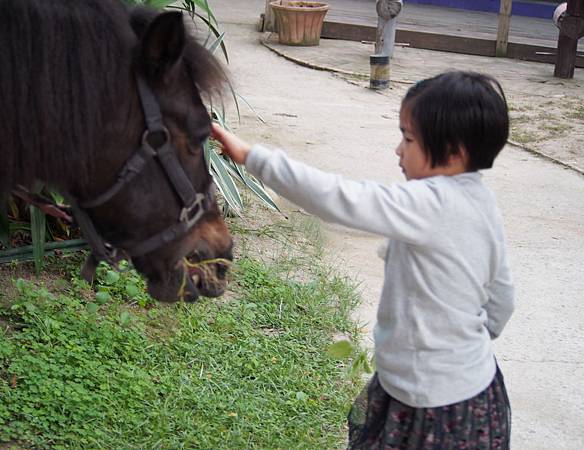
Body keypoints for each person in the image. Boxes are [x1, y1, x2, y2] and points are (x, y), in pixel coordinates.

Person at [211, 71, 515, 449]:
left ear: (453, 152)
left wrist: (251, 157)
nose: (398, 150)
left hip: (428, 404)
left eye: (408, 138)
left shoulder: (429, 203)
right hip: (476, 390)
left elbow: (340, 198)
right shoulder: (484, 204)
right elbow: (502, 298)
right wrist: (460, 350)